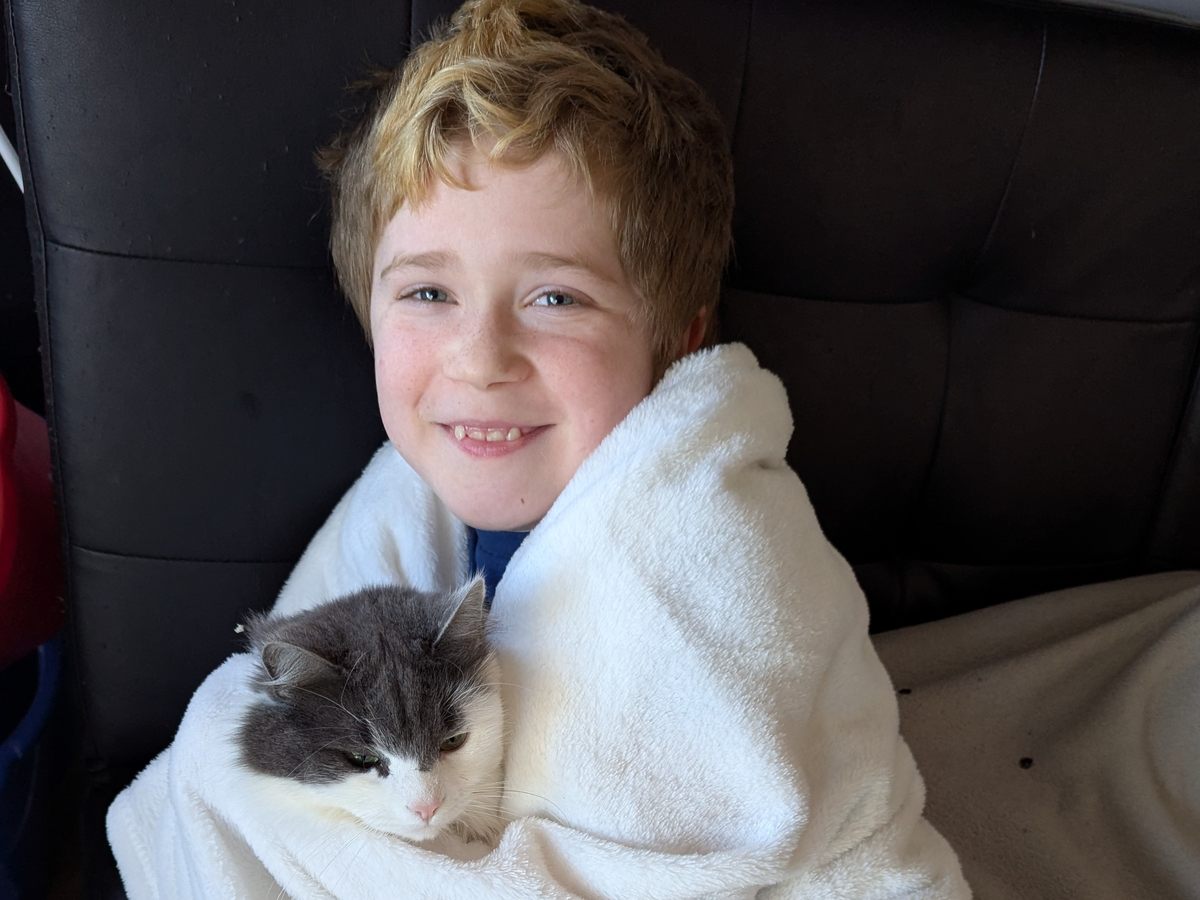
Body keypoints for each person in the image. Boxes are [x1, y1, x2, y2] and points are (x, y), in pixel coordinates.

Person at [107, 1, 972, 897]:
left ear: (677, 337)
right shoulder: (419, 485)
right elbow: (286, 713)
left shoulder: (704, 550)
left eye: (555, 299)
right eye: (429, 293)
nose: (480, 360)